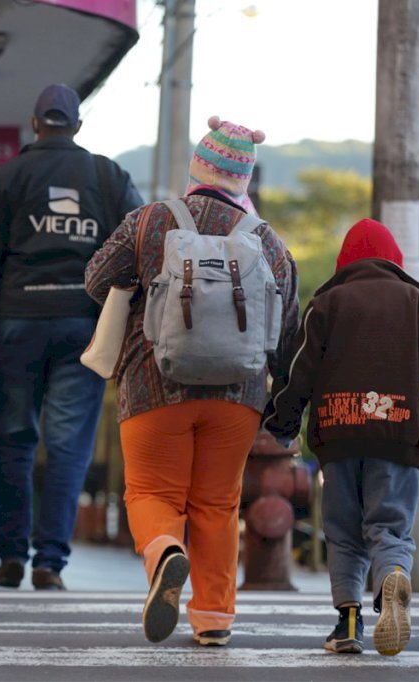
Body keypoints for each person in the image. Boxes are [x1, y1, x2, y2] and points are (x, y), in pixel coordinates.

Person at [84, 116, 299, 645]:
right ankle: (213, 620)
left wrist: (140, 280)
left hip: (153, 384)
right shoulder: (269, 242)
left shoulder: (150, 220)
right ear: (244, 181)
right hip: (238, 398)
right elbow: (287, 332)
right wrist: (283, 407)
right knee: (218, 504)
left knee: (153, 491)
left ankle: (164, 551)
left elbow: (94, 280)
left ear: (197, 169)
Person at [0, 83, 143, 590]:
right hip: (85, 325)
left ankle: (11, 554)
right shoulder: (107, 175)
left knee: (13, 438)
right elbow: (143, 245)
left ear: (35, 124)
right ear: (77, 126)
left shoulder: (9, 177)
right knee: (67, 446)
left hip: (19, 322)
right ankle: (50, 561)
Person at [262, 218, 419, 656]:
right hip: (400, 435)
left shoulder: (326, 303)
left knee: (344, 533)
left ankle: (347, 624)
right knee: (389, 526)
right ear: (396, 261)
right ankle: (392, 575)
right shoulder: (418, 303)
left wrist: (283, 422)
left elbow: (300, 372)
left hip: (338, 436)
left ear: (343, 262)